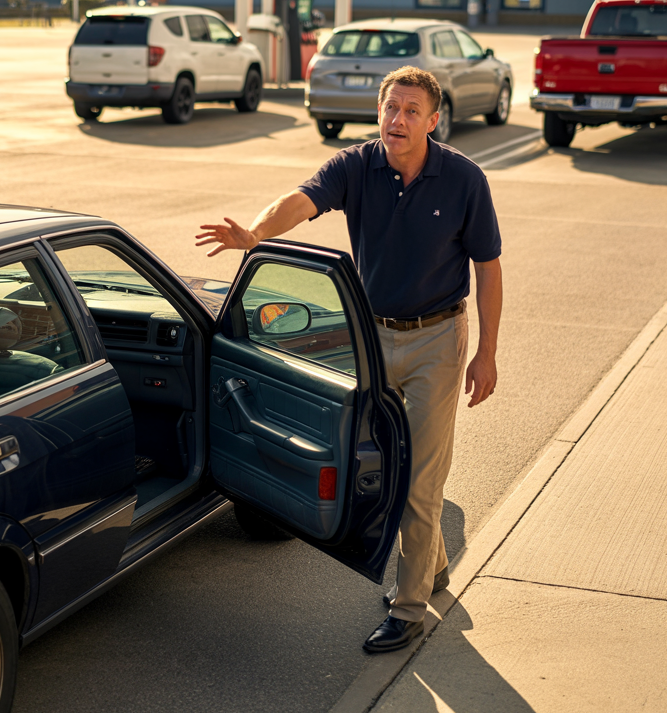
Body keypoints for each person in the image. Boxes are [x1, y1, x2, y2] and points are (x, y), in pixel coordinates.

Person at [195, 66, 502, 653]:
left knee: (419, 478)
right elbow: (302, 200)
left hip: (438, 339)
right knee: (387, 466)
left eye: (412, 110)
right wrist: (256, 233)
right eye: (390, 108)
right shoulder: (357, 165)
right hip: (370, 337)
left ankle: (410, 607)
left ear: (433, 121)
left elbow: (488, 270)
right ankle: (431, 564)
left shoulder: (464, 180)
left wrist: (485, 353)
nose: (397, 119)